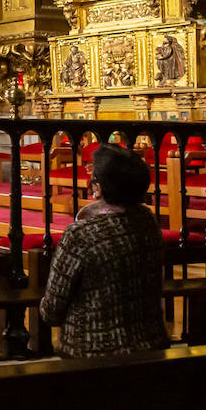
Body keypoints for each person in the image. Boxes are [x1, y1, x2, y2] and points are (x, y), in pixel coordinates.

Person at [40, 144, 168, 358]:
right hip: (151, 346)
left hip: (93, 354)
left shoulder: (80, 234)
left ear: (97, 187)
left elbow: (52, 310)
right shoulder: (147, 221)